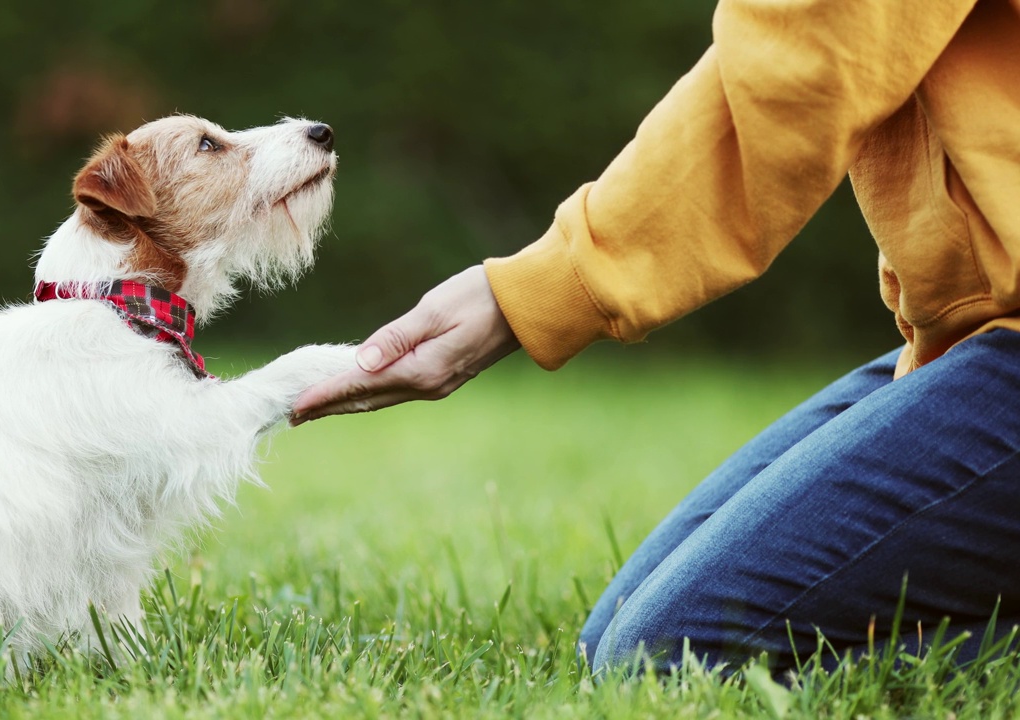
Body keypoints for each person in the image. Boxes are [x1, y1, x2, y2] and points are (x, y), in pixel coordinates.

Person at [293, 0, 1020, 674]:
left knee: (671, 662)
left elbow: (804, 65)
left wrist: (541, 290)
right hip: (975, 337)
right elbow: (790, 48)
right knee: (610, 641)